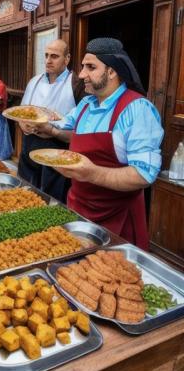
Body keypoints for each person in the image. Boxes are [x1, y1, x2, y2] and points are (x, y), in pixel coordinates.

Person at [33, 37, 164, 249]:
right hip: (78, 209)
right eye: (83, 66)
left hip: (117, 219)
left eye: (90, 67)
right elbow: (62, 122)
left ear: (112, 72)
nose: (82, 74)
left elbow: (144, 175)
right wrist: (39, 122)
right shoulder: (86, 103)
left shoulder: (138, 109)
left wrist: (92, 173)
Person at [17, 39, 85, 202]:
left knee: (52, 199)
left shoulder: (77, 85)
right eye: (46, 55)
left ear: (67, 58)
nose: (48, 60)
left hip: (58, 149)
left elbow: (81, 130)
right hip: (30, 144)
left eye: (54, 56)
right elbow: (20, 112)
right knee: (25, 192)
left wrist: (51, 130)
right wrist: (23, 124)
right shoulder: (35, 81)